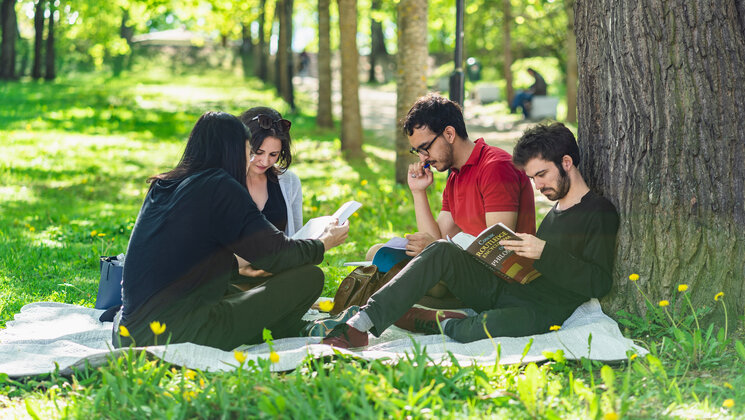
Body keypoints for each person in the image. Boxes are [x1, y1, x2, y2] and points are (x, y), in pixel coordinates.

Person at [318, 122, 619, 348]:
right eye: (533, 178)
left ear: (566, 163)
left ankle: (442, 322)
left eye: (541, 175)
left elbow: (599, 282)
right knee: (441, 251)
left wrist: (544, 253)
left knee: (477, 330)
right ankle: (362, 322)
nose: (538, 186)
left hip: (542, 310)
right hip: (508, 288)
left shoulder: (598, 212)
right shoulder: (555, 210)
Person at [113, 111, 348, 351]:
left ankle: (274, 326)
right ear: (233, 151)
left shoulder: (164, 184)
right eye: (249, 152)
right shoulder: (219, 185)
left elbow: (186, 256)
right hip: (181, 333)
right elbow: (278, 253)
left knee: (241, 288)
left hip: (128, 331)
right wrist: (324, 242)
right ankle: (278, 330)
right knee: (308, 278)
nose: (250, 160)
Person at [401, 93, 536, 300]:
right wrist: (418, 192)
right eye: (417, 151)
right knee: (377, 254)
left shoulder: (495, 167)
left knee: (423, 281)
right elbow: (436, 239)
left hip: (502, 282)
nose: (423, 159)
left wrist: (437, 252)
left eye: (425, 148)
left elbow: (499, 252)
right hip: (468, 271)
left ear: (449, 134)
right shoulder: (456, 175)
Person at [233, 107, 303, 285]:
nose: (265, 162)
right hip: (229, 279)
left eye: (274, 154)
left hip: (276, 277)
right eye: (258, 152)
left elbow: (296, 237)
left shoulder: (289, 182)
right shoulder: (223, 181)